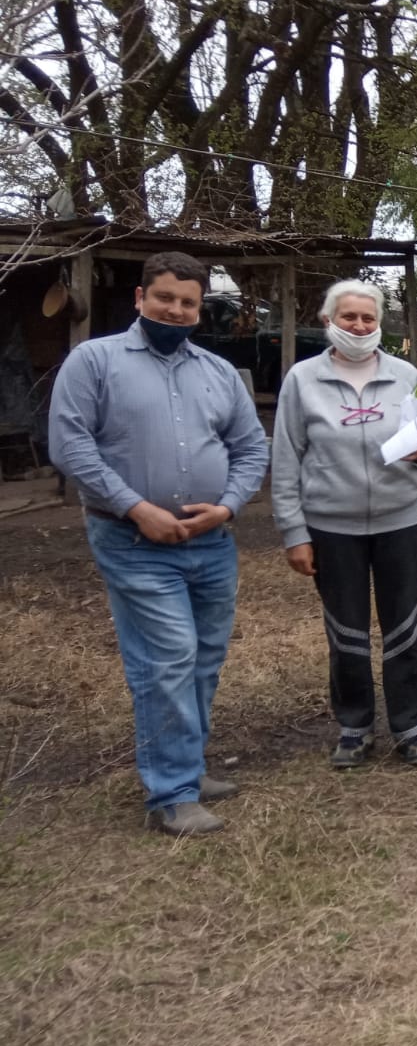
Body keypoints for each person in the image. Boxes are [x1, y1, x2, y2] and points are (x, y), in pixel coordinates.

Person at [48, 251, 268, 836]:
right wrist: (136, 508)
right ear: (140, 299)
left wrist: (226, 506)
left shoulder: (217, 373)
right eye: (165, 298)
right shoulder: (93, 361)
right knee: (167, 658)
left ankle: (187, 768)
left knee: (203, 661)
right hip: (133, 541)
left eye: (188, 302)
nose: (175, 309)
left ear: (199, 310)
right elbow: (70, 445)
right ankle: (171, 794)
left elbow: (251, 448)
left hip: (211, 540)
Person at [271, 280, 417, 769]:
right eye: (349, 317)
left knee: (405, 627)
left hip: (400, 521)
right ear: (329, 321)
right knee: (346, 631)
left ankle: (412, 726)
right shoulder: (303, 381)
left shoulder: (406, 374)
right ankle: (354, 727)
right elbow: (286, 460)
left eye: (368, 318)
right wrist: (294, 532)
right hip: (333, 527)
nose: (359, 326)